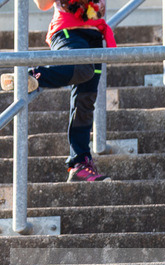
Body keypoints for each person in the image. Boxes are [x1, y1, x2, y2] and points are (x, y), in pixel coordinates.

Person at [1, 0, 115, 181]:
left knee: (86, 100)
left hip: (94, 36)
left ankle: (80, 164)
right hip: (68, 33)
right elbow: (42, 4)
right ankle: (33, 75)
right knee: (83, 69)